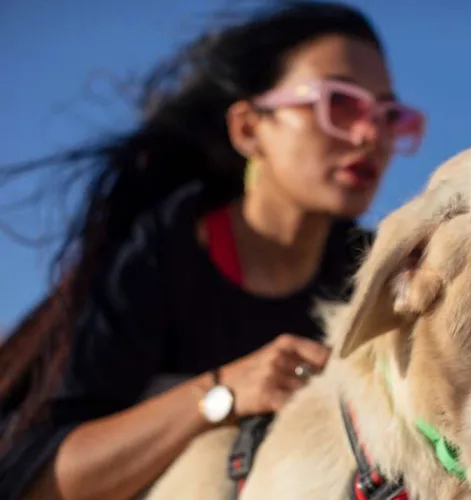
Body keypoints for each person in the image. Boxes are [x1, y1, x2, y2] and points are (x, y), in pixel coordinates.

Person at [0, 2, 427, 498]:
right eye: (340, 103)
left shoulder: (378, 273)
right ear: (248, 128)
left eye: (389, 115)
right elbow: (42, 479)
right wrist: (220, 393)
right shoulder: (161, 251)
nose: (370, 134)